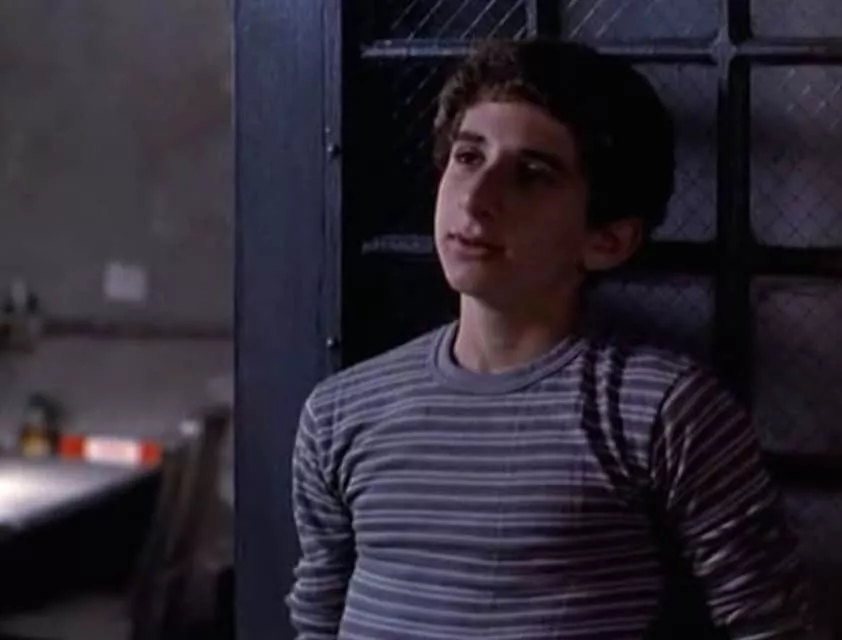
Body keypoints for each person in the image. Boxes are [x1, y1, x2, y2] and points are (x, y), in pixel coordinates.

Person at [287, 38, 822, 639]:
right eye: (468, 157)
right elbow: (317, 619)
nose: (477, 199)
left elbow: (771, 626)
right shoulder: (341, 412)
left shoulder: (661, 409)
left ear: (607, 241)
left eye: (532, 175)